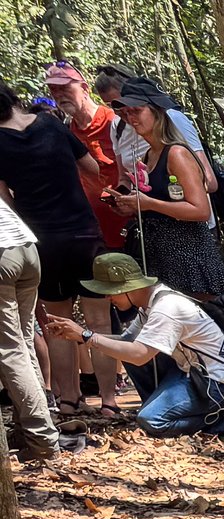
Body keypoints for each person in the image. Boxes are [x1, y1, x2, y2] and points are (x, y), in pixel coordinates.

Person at [41, 250, 224, 437]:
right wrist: (79, 335)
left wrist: (86, 336)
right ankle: (162, 407)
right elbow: (127, 343)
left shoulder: (165, 308)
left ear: (129, 287)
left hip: (217, 384)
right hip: (192, 373)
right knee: (126, 354)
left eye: (111, 291)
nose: (107, 297)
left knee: (152, 421)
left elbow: (138, 354)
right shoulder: (150, 303)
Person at [0, 80, 101, 412]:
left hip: (44, 239)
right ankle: (110, 402)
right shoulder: (51, 124)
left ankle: (70, 399)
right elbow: (92, 167)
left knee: (57, 323)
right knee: (98, 320)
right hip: (83, 230)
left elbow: (5, 203)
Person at [41, 62, 133, 413]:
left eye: (65, 87)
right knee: (78, 318)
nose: (59, 94)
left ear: (84, 87)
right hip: (79, 236)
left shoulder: (114, 122)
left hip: (117, 232)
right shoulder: (60, 130)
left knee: (116, 313)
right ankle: (72, 398)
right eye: (53, 89)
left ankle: (117, 394)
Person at [104, 79, 224, 319]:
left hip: (189, 257)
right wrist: (130, 205)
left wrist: (148, 204)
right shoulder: (149, 155)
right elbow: (161, 205)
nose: (131, 118)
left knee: (205, 325)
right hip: (161, 256)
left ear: (157, 112)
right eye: (126, 113)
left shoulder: (177, 154)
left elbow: (200, 209)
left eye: (137, 111)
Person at [0, 191, 67, 460]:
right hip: (26, 249)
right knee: (23, 343)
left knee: (9, 349)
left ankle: (43, 440)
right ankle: (25, 433)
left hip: (3, 256)